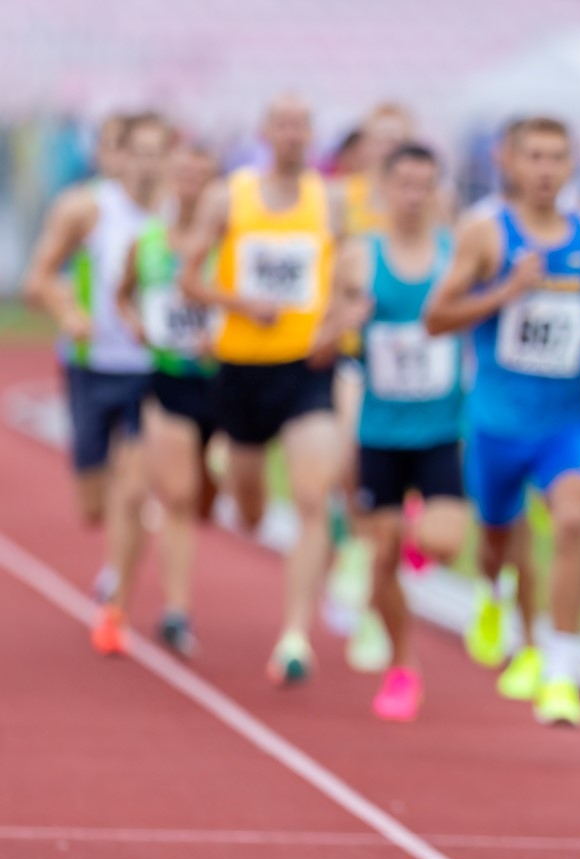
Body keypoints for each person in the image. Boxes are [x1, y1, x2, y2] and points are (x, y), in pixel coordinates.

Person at [424, 116, 580, 726]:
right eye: (535, 158)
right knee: (497, 542)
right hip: (496, 421)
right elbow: (435, 318)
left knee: (572, 521)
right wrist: (504, 292)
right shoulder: (485, 235)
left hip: (567, 420)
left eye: (557, 158)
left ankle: (560, 670)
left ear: (572, 166)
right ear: (511, 165)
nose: (546, 170)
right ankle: (490, 593)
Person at [179, 94, 353, 685]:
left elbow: (352, 280)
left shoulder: (330, 200)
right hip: (241, 367)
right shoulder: (229, 197)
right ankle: (234, 476)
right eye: (282, 124)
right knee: (251, 511)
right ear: (264, 133)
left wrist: (336, 324)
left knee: (312, 499)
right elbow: (188, 278)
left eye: (302, 124)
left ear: (312, 135)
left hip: (305, 370)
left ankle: (295, 635)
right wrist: (240, 303)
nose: (292, 134)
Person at [327, 142, 467, 720]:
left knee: (444, 543)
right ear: (383, 190)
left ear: (437, 192)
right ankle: (403, 666)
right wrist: (348, 320)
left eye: (424, 185)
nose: (413, 196)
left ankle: (415, 539)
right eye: (403, 184)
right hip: (380, 430)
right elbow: (323, 341)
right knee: (381, 555)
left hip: (439, 426)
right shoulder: (359, 259)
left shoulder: (455, 256)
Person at [22, 112, 165, 655]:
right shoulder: (86, 208)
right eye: (138, 151)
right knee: (92, 503)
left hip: (152, 372)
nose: (148, 163)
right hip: (91, 365)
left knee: (135, 489)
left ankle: (117, 600)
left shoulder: (179, 212)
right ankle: (118, 550)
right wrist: (66, 309)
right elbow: (36, 278)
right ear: (118, 155)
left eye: (159, 151)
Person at [115, 137, 221, 656]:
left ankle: (224, 484)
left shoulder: (231, 243)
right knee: (176, 497)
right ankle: (177, 610)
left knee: (215, 498)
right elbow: (120, 293)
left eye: (200, 176)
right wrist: (137, 324)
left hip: (229, 384)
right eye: (181, 175)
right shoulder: (149, 241)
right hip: (170, 380)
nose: (190, 185)